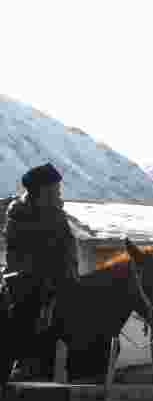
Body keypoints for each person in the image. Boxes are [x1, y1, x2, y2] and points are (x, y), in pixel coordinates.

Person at [3, 163, 79, 381]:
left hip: (58, 278)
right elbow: (20, 252)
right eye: (55, 190)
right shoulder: (19, 213)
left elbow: (69, 245)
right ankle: (22, 359)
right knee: (27, 306)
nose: (59, 193)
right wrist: (45, 272)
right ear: (40, 192)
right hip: (24, 278)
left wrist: (71, 269)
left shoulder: (58, 214)